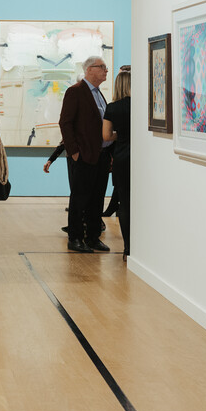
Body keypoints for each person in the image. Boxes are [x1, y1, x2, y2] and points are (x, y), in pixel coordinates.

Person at [59, 56, 113, 253]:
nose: (106, 71)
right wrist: (74, 152)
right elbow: (65, 123)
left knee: (97, 198)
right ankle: (75, 238)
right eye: (102, 67)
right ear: (90, 70)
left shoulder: (99, 94)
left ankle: (92, 237)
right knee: (80, 198)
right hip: (84, 156)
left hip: (102, 155)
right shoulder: (76, 92)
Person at [102, 70, 131, 259]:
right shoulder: (142, 105)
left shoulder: (112, 107)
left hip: (121, 157)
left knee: (125, 203)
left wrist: (120, 135)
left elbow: (106, 136)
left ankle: (128, 247)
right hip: (139, 157)